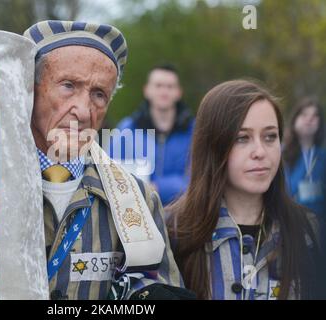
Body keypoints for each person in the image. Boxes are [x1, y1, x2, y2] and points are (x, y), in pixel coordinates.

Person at [23, 20, 190, 300]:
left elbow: (155, 286)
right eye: (68, 86)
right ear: (31, 88)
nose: (84, 111)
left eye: (99, 94)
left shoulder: (139, 199)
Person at [166, 79, 325, 300]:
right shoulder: (173, 231)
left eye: (270, 136)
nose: (260, 151)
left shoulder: (309, 229)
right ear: (213, 145)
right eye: (242, 138)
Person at [113, 64, 194, 205]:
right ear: (147, 90)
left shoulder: (195, 130)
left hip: (183, 215)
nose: (164, 91)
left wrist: (158, 187)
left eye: (170, 86)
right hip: (137, 213)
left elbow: (200, 180)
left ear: (179, 92)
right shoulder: (126, 130)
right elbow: (111, 174)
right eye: (158, 86)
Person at [283, 97, 326, 248]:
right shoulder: (280, 154)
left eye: (315, 116)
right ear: (295, 119)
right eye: (304, 114)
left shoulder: (322, 157)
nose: (310, 119)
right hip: (286, 225)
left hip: (317, 229)